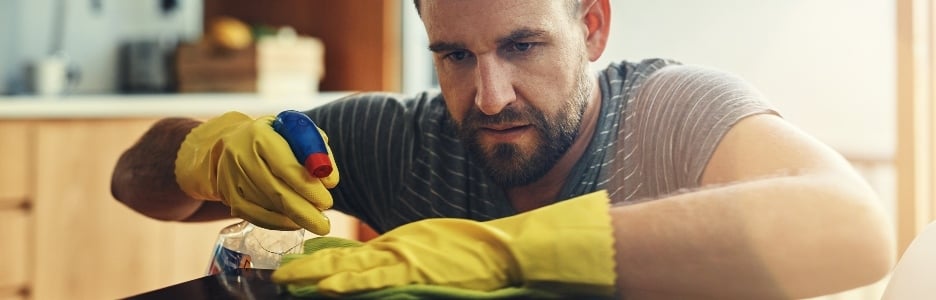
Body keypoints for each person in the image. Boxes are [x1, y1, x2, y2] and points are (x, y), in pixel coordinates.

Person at [111, 0, 896, 298]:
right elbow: (133, 185)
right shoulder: (403, 140)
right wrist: (203, 154)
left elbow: (854, 231)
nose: (489, 96)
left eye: (523, 46)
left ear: (591, 27)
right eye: (454, 55)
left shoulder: (667, 109)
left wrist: (498, 254)